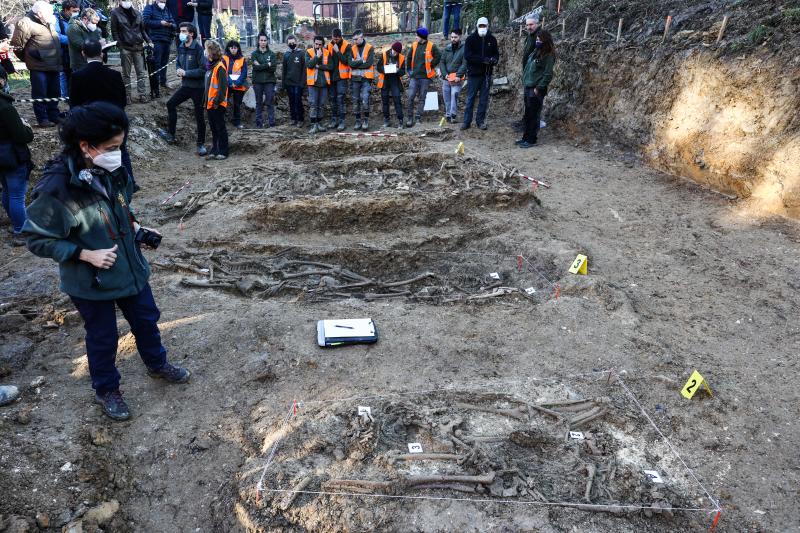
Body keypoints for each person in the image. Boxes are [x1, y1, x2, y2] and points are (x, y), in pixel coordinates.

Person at [22, 102, 191, 421]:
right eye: (112, 147)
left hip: (130, 270)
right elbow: (36, 238)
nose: (119, 153)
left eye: (120, 145)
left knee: (145, 320)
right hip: (90, 282)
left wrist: (136, 230)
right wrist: (84, 254)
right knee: (102, 337)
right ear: (85, 146)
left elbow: (120, 209)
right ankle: (106, 389)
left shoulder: (113, 169)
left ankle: (157, 364)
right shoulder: (57, 190)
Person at [69, 40, 135, 186]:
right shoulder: (114, 75)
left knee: (94, 155)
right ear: (101, 53)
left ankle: (99, 185)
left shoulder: (78, 76)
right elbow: (123, 100)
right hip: (116, 119)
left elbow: (74, 105)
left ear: (83, 54)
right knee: (121, 151)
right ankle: (129, 182)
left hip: (91, 123)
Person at [10, 1, 64, 128]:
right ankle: (42, 118)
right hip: (38, 67)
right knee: (40, 94)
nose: (52, 14)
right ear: (39, 13)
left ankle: (54, 115)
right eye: (49, 12)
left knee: (55, 92)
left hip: (53, 64)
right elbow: (17, 46)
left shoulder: (48, 21)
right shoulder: (25, 23)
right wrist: (30, 58)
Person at [158, 23, 207, 156]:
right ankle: (171, 135)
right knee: (170, 104)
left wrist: (186, 73)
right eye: (181, 31)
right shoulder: (180, 46)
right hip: (185, 86)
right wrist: (178, 70)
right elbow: (178, 62)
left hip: (198, 88)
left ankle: (200, 144)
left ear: (191, 33)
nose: (181, 33)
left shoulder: (198, 48)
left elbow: (203, 70)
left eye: (184, 31)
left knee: (199, 115)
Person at [0, 65, 34, 245]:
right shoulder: (5, 106)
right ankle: (21, 229)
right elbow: (21, 135)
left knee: (7, 190)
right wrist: (26, 127)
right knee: (16, 195)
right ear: (1, 81)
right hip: (11, 155)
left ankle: (16, 223)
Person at [517, 30, 555, 148]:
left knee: (534, 115)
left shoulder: (548, 55)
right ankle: (525, 137)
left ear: (545, 40)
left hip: (535, 89)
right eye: (537, 39)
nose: (537, 41)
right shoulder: (536, 51)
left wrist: (538, 88)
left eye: (539, 40)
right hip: (528, 86)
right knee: (528, 114)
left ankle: (531, 139)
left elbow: (548, 74)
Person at [110, 0, 153, 104]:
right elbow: (114, 31)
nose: (126, 1)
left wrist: (149, 41)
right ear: (119, 1)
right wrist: (120, 45)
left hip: (138, 47)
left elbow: (142, 30)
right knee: (126, 73)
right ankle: (127, 95)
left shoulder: (137, 13)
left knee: (141, 72)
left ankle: (142, 94)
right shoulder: (115, 13)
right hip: (125, 47)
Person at [462, 17, 498, 131]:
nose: (482, 28)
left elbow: (496, 54)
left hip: (486, 74)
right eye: (480, 26)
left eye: (484, 26)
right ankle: (466, 122)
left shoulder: (492, 39)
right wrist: (483, 60)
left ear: (488, 26)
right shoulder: (470, 39)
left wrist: (493, 60)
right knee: (470, 99)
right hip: (473, 74)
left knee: (483, 99)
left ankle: (480, 121)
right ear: (477, 26)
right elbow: (468, 56)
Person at [404, 27, 440, 127]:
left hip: (425, 77)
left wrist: (431, 65)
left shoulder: (432, 46)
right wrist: (410, 71)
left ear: (422, 37)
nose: (416, 37)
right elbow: (409, 58)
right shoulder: (414, 45)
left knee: (422, 98)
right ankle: (410, 118)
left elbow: (438, 56)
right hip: (414, 77)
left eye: (417, 36)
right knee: (410, 97)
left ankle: (418, 117)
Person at [142, 0, 176, 95]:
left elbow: (174, 24)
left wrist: (170, 25)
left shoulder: (167, 10)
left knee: (164, 63)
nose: (163, 1)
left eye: (164, 0)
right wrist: (160, 23)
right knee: (156, 63)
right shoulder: (149, 8)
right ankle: (155, 87)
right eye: (161, 0)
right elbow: (145, 22)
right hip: (155, 40)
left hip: (167, 40)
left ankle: (163, 83)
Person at [204, 40, 228, 160]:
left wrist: (216, 102)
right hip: (210, 104)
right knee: (213, 128)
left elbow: (223, 88)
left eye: (207, 50)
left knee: (220, 127)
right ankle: (215, 149)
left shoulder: (220, 67)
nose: (205, 53)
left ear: (212, 52)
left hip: (217, 104)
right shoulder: (210, 67)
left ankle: (223, 150)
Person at [347, 29, 374, 131]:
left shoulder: (370, 48)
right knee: (355, 101)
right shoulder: (352, 48)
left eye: (356, 39)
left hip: (366, 79)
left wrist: (356, 63)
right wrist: (362, 61)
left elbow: (369, 63)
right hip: (355, 79)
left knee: (365, 100)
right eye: (353, 39)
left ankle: (366, 120)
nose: (355, 41)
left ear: (361, 37)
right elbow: (350, 64)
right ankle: (358, 121)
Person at [306, 35, 333, 134]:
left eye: (320, 44)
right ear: (313, 43)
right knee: (313, 105)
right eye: (316, 44)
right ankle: (313, 125)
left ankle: (319, 123)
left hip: (324, 83)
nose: (317, 46)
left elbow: (331, 66)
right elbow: (309, 65)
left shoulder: (327, 53)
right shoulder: (309, 52)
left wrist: (320, 66)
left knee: (321, 105)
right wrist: (317, 56)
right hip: (313, 84)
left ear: (323, 45)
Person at [250, 32, 277, 128]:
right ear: (258, 41)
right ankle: (259, 123)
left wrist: (261, 65)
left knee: (270, 102)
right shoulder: (254, 54)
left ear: (267, 41)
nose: (263, 42)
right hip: (257, 81)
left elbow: (273, 68)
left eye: (265, 40)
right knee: (259, 102)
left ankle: (271, 122)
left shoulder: (272, 54)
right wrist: (267, 64)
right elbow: (255, 68)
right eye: (261, 40)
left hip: (269, 81)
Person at [376, 41, 405, 129]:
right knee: (385, 101)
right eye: (394, 51)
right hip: (385, 80)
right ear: (392, 48)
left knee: (397, 100)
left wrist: (397, 70)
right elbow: (378, 67)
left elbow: (403, 71)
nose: (395, 53)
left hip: (395, 81)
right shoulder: (384, 55)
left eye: (397, 52)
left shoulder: (401, 57)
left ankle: (400, 121)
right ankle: (386, 120)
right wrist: (386, 69)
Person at [326, 28, 350, 130]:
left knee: (341, 100)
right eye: (333, 39)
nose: (335, 41)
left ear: (341, 37)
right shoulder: (328, 45)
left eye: (337, 39)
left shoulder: (347, 46)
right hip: (331, 77)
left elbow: (346, 61)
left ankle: (342, 121)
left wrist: (338, 51)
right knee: (332, 99)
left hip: (341, 78)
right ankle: (334, 119)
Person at [440, 28, 466, 124]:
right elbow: (442, 62)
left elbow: (465, 63)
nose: (453, 39)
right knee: (446, 97)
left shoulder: (464, 49)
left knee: (454, 94)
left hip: (457, 78)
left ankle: (453, 114)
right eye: (452, 37)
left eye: (455, 37)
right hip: (446, 78)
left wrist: (459, 75)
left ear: (460, 37)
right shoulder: (447, 48)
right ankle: (448, 115)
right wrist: (445, 74)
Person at [55, 0, 80, 98]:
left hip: (74, 53)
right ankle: (65, 97)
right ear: (66, 10)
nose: (76, 13)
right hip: (63, 53)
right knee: (64, 75)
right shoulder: (57, 19)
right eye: (74, 11)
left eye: (77, 11)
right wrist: (72, 39)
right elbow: (57, 36)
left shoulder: (76, 19)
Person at [222, 40, 248, 129]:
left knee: (237, 104)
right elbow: (223, 72)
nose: (233, 49)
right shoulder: (224, 58)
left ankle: (237, 122)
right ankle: (222, 120)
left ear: (238, 49)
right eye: (231, 48)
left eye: (235, 48)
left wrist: (236, 83)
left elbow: (244, 73)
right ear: (228, 48)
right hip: (227, 85)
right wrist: (230, 83)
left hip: (239, 85)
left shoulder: (242, 59)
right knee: (223, 102)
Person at [282, 34, 305, 127]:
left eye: (293, 42)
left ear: (296, 42)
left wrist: (302, 83)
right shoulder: (286, 55)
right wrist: (283, 83)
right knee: (291, 101)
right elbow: (284, 70)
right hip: (289, 83)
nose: (292, 44)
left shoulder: (301, 53)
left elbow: (304, 69)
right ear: (287, 44)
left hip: (298, 83)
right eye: (290, 43)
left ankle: (300, 119)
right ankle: (293, 118)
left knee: (297, 101)